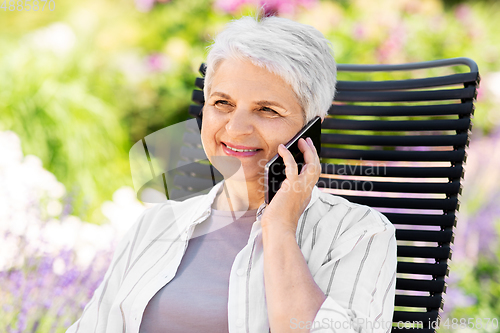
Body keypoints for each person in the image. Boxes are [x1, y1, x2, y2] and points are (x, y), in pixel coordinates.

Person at [67, 15, 397, 333]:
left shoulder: (357, 234)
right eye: (222, 103)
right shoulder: (156, 225)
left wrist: (279, 227)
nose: (235, 129)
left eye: (267, 109)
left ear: (311, 129)